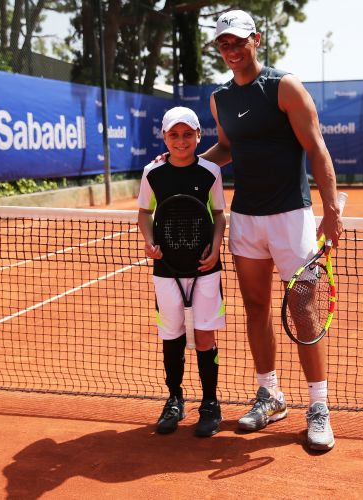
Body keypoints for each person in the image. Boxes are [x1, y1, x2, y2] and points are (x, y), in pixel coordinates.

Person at [203, 9, 344, 451]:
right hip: (246, 218)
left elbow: (316, 149)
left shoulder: (285, 87)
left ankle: (318, 406)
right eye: (224, 44)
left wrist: (331, 210)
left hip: (291, 217)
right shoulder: (219, 99)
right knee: (256, 307)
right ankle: (270, 395)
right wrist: (182, 165)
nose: (231, 51)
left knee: (302, 310)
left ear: (256, 40)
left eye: (238, 42)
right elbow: (227, 148)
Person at [137, 106, 227, 437]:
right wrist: (149, 242)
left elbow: (219, 215)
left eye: (188, 134)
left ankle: (210, 403)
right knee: (171, 334)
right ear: (164, 137)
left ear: (199, 136)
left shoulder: (211, 172)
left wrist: (216, 246)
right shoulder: (152, 173)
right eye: (174, 135)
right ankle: (174, 399)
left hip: (205, 268)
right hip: (167, 269)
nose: (181, 141)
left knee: (205, 336)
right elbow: (145, 213)